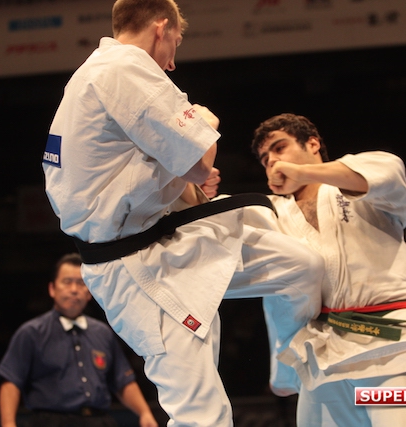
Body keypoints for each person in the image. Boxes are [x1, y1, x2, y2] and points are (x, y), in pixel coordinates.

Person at [41, 1, 324, 426]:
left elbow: (153, 176)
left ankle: (287, 368)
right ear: (162, 28)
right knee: (201, 415)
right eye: (176, 40)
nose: (173, 60)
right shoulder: (124, 67)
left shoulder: (95, 75)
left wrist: (187, 186)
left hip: (163, 238)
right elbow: (200, 161)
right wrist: (205, 120)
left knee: (301, 265)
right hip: (136, 266)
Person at [247, 113, 406, 427]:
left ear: (313, 144)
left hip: (391, 339)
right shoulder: (273, 213)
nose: (273, 162)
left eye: (280, 148)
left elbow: (387, 172)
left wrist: (299, 171)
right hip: (323, 350)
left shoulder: (361, 180)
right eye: (265, 159)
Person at [0, 253, 158, 427]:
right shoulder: (31, 333)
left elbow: (122, 381)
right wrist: (8, 423)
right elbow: (11, 381)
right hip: (51, 422)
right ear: (52, 289)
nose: (74, 289)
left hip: (99, 420)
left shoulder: (103, 333)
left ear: (89, 292)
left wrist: (144, 412)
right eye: (67, 282)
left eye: (81, 283)